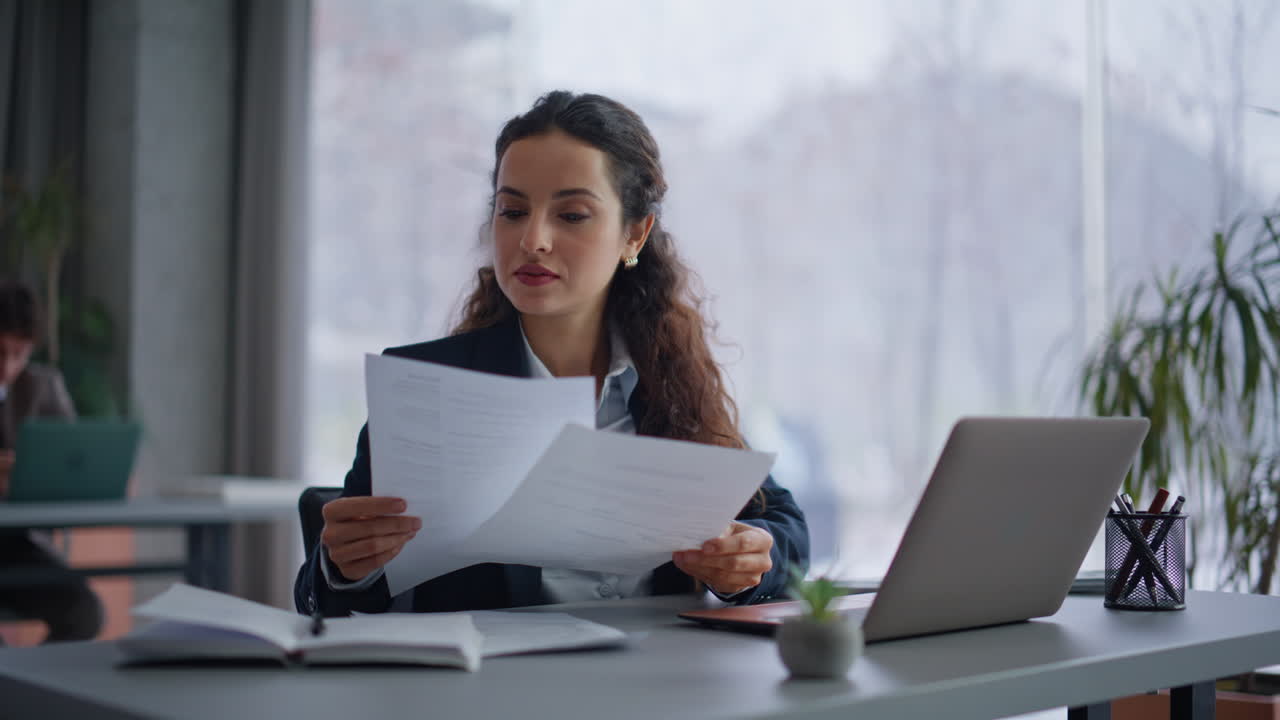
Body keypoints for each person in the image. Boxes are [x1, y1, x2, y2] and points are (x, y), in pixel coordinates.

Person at [295, 91, 809, 617]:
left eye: (572, 215)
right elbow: (320, 595)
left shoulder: (669, 383)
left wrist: (747, 560)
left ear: (634, 234)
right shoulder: (426, 387)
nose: (533, 239)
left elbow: (782, 525)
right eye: (512, 211)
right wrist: (345, 568)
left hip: (656, 685)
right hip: (490, 691)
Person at [0, 279, 104, 642]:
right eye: (0, 352)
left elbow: (74, 457)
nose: (8, 367)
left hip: (18, 547)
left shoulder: (41, 386)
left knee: (83, 609)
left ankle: (28, 692)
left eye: (19, 354)